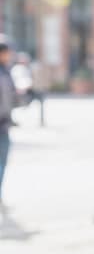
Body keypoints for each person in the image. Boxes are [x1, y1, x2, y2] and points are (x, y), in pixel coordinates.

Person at [0, 40, 16, 213]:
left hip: (4, 124)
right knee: (1, 162)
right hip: (2, 124)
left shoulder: (6, 71)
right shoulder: (3, 73)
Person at [10, 51, 44, 126]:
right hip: (20, 91)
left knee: (41, 95)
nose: (25, 61)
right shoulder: (17, 69)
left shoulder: (27, 68)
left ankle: (42, 120)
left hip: (28, 90)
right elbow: (18, 81)